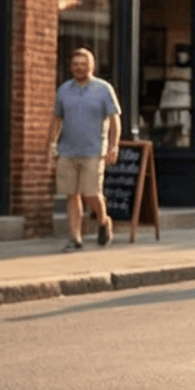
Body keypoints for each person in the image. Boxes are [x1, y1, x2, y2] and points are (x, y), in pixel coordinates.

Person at [48, 48, 121, 253]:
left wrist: (114, 146)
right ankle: (75, 238)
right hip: (67, 150)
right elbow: (56, 120)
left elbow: (115, 121)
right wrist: (52, 146)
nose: (79, 68)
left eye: (83, 64)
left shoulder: (103, 89)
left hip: (94, 151)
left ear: (92, 66)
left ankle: (103, 220)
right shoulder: (63, 89)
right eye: (75, 64)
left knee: (91, 193)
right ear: (71, 67)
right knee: (71, 195)